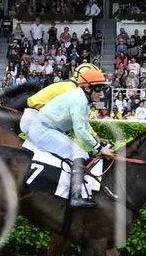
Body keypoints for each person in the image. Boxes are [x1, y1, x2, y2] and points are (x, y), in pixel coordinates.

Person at [25, 62, 109, 208]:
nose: (101, 94)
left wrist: (97, 145)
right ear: (87, 88)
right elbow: (80, 130)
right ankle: (76, 197)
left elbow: (83, 126)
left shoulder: (83, 98)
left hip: (46, 126)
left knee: (82, 153)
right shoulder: (79, 100)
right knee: (77, 153)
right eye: (98, 89)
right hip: (41, 128)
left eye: (102, 89)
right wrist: (99, 148)